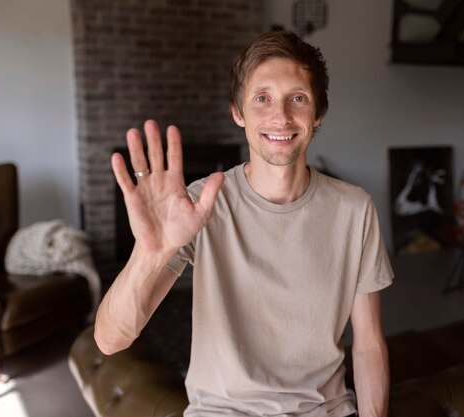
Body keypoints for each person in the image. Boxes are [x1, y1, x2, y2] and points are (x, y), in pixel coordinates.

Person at [94, 31, 394, 417]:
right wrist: (152, 253)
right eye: (262, 98)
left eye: (297, 98)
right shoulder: (200, 204)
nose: (281, 117)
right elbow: (109, 339)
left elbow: (368, 343)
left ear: (318, 112)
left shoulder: (356, 209)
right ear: (238, 112)